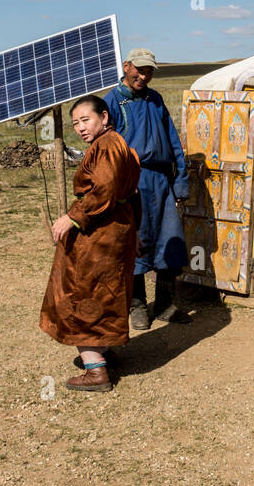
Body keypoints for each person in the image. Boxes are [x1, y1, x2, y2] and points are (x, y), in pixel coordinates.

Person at [40, 95, 141, 392]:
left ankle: (96, 370)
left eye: (86, 120)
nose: (81, 128)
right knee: (106, 292)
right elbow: (130, 193)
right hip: (116, 228)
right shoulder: (116, 143)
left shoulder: (106, 146)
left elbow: (104, 190)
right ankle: (103, 350)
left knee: (81, 292)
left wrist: (72, 217)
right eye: (75, 123)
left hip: (99, 233)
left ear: (104, 118)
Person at [105, 48, 190, 329]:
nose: (144, 76)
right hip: (132, 183)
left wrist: (180, 183)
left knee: (170, 242)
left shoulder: (155, 99)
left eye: (149, 71)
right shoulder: (112, 103)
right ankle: (137, 305)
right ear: (127, 66)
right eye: (139, 70)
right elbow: (104, 149)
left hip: (162, 182)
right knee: (135, 246)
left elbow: (173, 141)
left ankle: (166, 305)